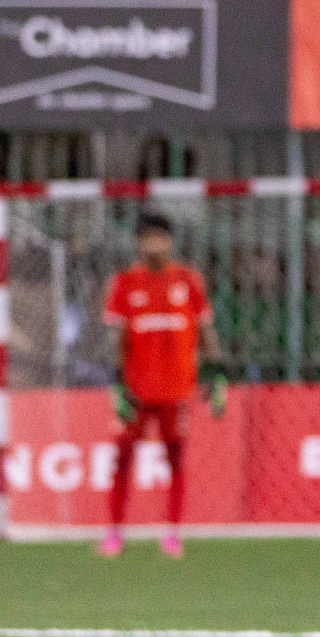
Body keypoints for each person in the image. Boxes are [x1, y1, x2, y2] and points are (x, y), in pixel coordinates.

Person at [98, 215, 226, 559]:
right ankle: (114, 532)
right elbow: (113, 338)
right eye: (148, 239)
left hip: (177, 389)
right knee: (123, 459)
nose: (154, 245)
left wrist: (216, 374)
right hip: (135, 390)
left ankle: (171, 532)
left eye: (160, 238)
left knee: (175, 460)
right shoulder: (124, 283)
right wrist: (115, 384)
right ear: (139, 244)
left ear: (170, 242)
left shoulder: (188, 281)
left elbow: (205, 332)